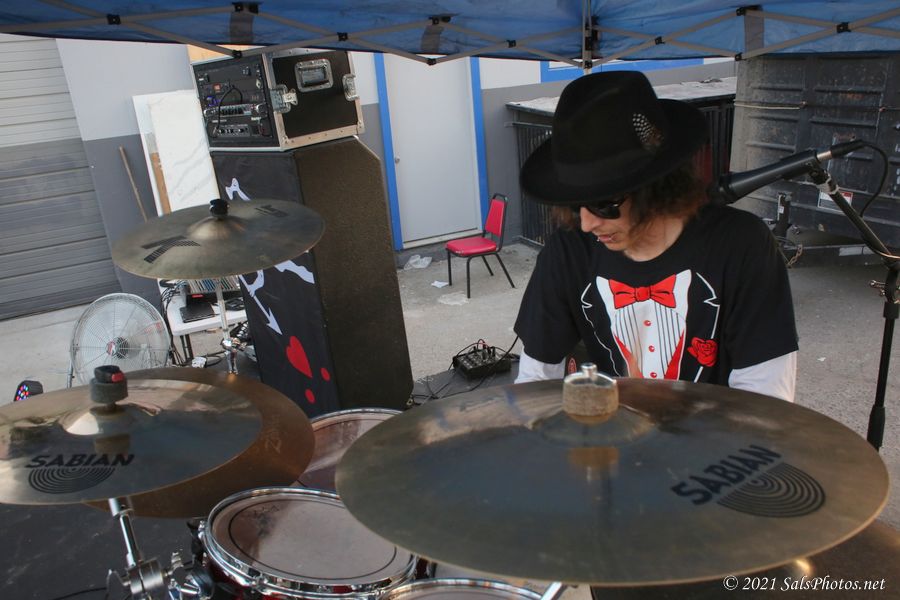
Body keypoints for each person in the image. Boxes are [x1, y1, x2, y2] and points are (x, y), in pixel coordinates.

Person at [514, 71, 798, 401]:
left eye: (604, 203)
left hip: (716, 430)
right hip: (609, 428)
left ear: (657, 187)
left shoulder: (740, 244)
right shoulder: (568, 251)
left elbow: (766, 397)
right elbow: (535, 381)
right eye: (576, 206)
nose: (587, 224)